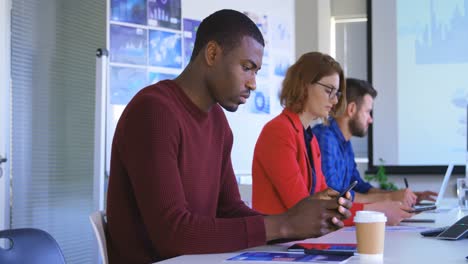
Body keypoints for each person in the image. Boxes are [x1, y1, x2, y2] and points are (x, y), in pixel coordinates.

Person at [106, 10, 352, 263]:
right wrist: (284, 224)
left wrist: (300, 224)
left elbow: (229, 210)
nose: (253, 83)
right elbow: (172, 233)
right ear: (212, 54)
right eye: (247, 68)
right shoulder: (154, 111)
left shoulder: (217, 122)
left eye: (256, 71)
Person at [252, 52, 413, 226]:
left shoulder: (310, 138)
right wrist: (374, 211)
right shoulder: (279, 131)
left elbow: (328, 198)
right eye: (329, 90)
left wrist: (377, 208)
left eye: (336, 93)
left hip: (302, 240)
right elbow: (304, 209)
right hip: (279, 246)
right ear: (304, 85)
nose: (335, 100)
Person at [313, 78, 437, 206]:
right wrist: (390, 197)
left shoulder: (345, 142)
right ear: (352, 109)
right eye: (367, 112)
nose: (370, 119)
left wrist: (408, 196)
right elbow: (336, 195)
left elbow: (359, 187)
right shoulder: (325, 139)